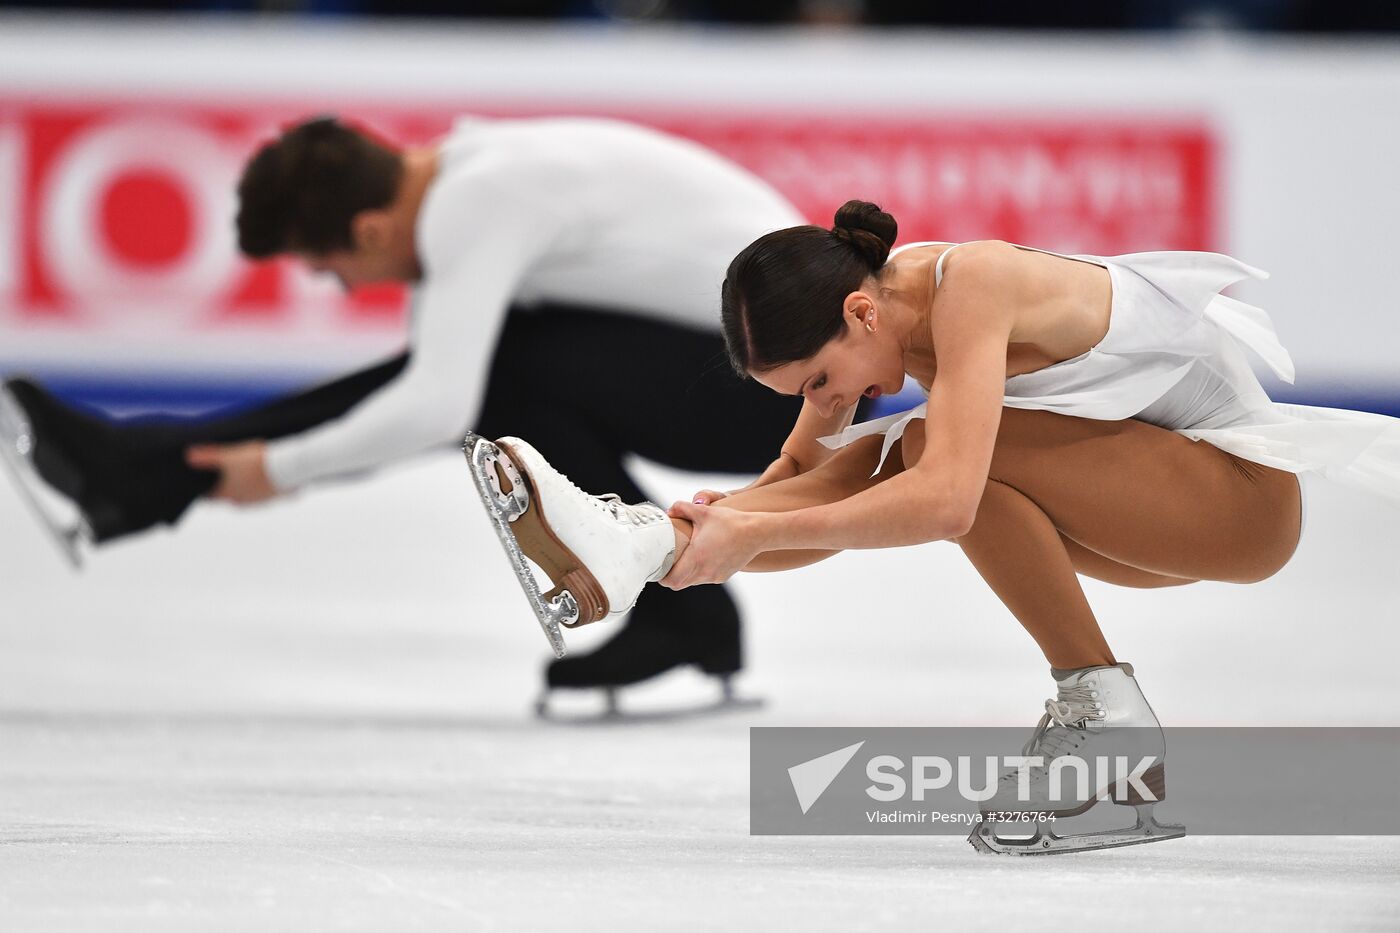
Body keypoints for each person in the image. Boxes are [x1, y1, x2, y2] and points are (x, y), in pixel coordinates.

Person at [464, 199, 1400, 853]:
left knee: (929, 455)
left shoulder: (972, 286)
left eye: (820, 381)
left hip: (1240, 501)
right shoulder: (872, 318)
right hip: (1149, 504)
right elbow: (803, 481)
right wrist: (697, 536)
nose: (829, 401)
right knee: (888, 455)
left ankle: (1106, 711)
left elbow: (946, 500)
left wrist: (745, 535)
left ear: (860, 310)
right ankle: (631, 547)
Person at [0, 115, 809, 711]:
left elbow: (437, 403)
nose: (349, 290)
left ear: (371, 226)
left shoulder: (480, 196)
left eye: (332, 268)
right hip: (762, 368)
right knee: (516, 371)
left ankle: (142, 470)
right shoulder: (473, 170)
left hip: (794, 390)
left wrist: (278, 469)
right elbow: (431, 391)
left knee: (509, 375)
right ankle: (144, 468)